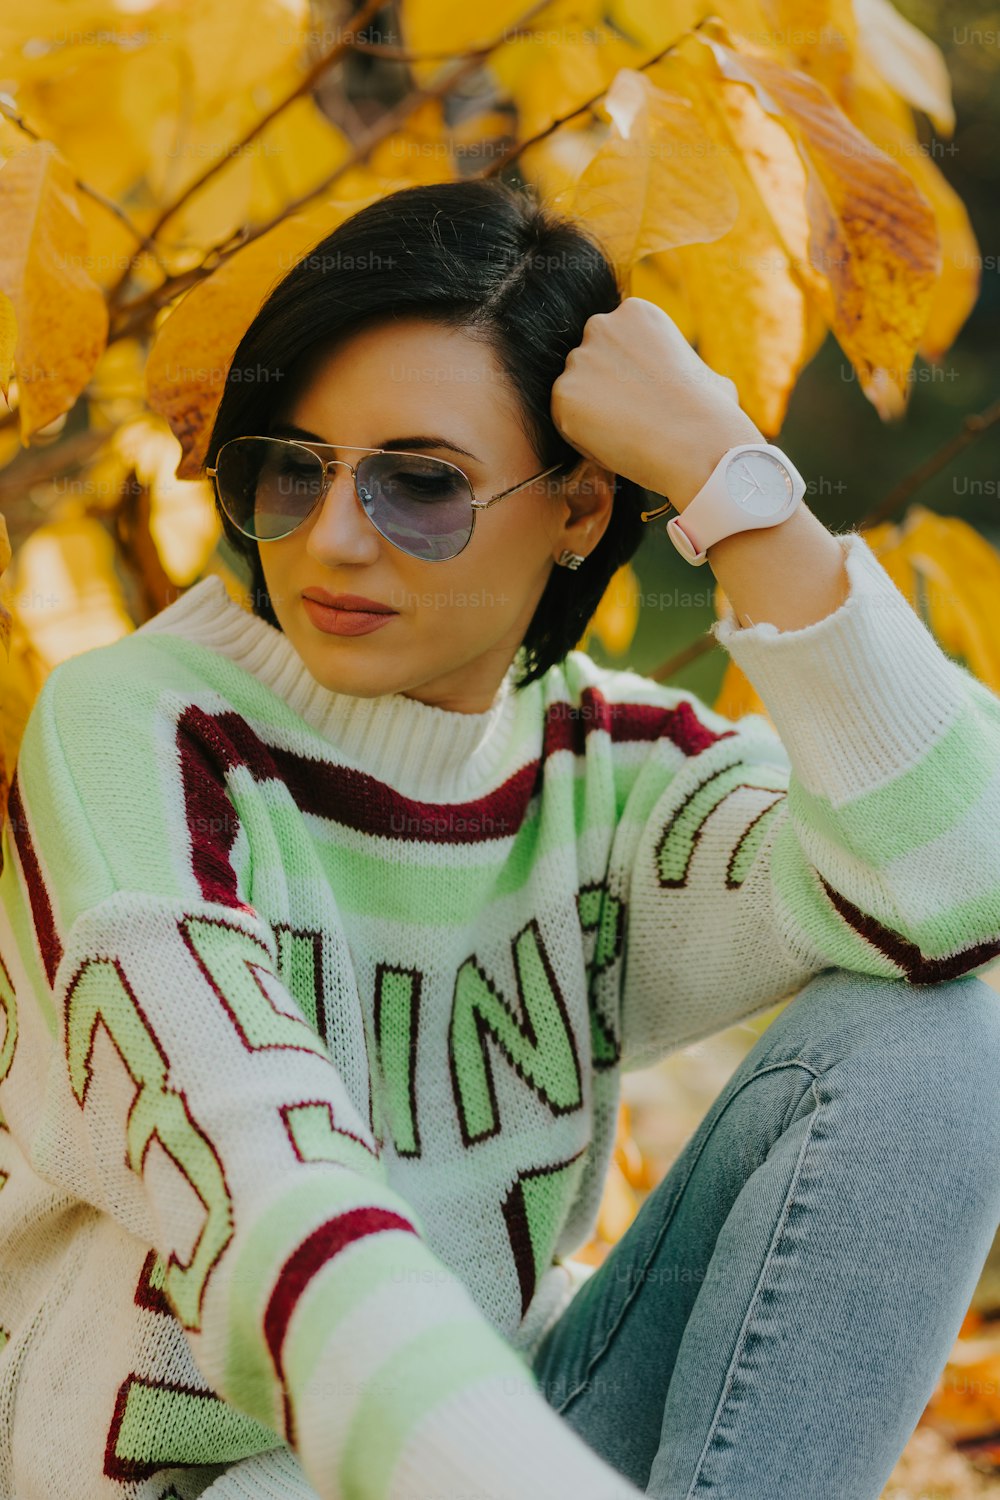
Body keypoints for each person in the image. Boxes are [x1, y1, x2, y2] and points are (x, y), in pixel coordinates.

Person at [0, 177, 998, 1500]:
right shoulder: (142, 732)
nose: (335, 540)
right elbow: (269, 1205)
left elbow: (961, 883)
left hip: (512, 1442)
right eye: (289, 472)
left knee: (935, 1042)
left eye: (422, 486)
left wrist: (731, 479)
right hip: (231, 1481)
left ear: (582, 510)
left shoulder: (607, 770)